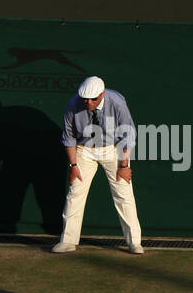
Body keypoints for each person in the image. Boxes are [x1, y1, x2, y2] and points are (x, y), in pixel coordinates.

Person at [53, 76, 144, 256]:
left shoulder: (117, 102)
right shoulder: (73, 104)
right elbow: (69, 138)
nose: (88, 102)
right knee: (75, 192)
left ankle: (134, 242)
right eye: (85, 99)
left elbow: (128, 134)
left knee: (123, 193)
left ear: (102, 94)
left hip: (113, 149)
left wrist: (124, 165)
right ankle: (68, 241)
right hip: (83, 150)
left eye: (93, 98)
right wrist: (73, 165)